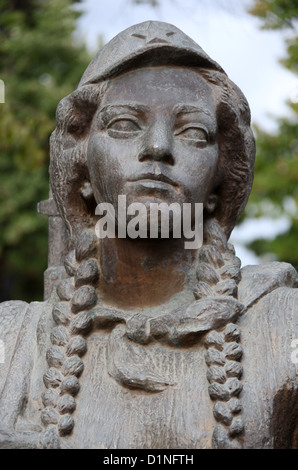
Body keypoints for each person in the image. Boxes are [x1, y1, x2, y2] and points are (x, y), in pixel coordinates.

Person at [0, 21, 297, 449]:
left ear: (219, 182)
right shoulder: (11, 344)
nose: (158, 147)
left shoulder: (286, 331)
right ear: (80, 167)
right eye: (123, 124)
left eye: (193, 132)